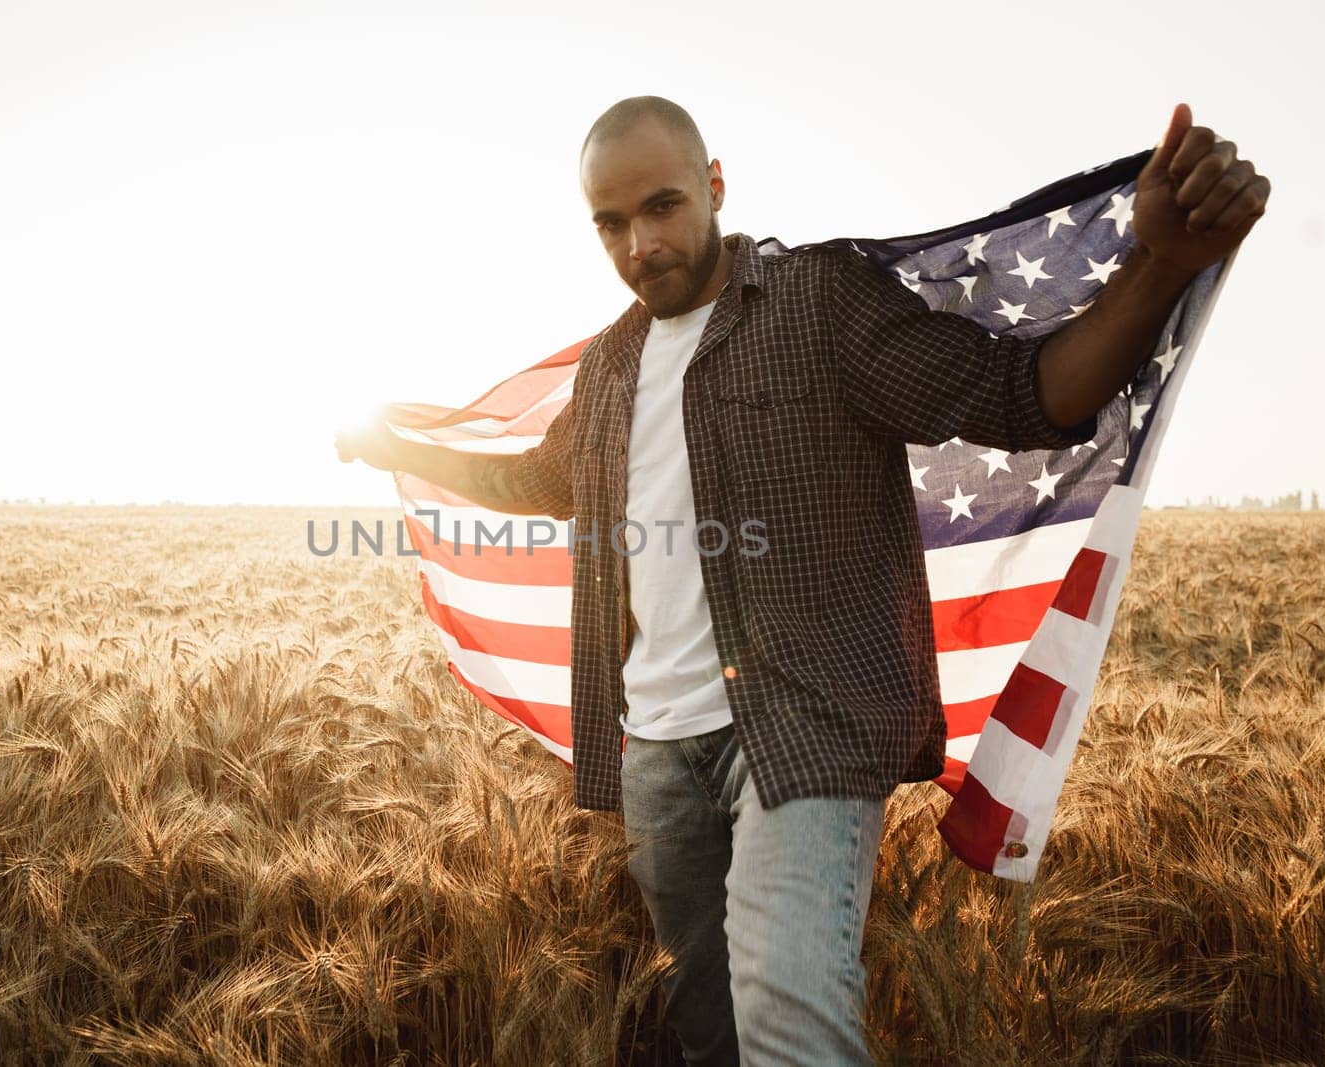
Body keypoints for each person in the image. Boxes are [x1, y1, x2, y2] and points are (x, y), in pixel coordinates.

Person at [334, 96, 1268, 1065]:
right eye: (610, 223)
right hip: (656, 755)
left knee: (789, 1018)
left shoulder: (818, 303)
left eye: (661, 207)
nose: (640, 244)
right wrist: (398, 447)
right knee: (710, 1031)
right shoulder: (610, 367)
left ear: (714, 186)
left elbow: (1025, 393)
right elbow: (535, 478)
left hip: (804, 733)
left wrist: (1162, 261)